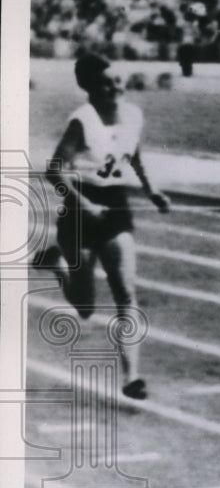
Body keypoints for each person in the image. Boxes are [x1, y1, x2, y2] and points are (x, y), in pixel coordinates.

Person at [33, 53, 171, 399]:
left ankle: (132, 377)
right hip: (80, 209)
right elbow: (54, 170)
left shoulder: (133, 115)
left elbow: (133, 155)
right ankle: (56, 265)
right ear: (90, 88)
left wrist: (152, 191)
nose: (115, 87)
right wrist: (85, 203)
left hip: (116, 207)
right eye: (106, 83)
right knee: (85, 307)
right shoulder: (82, 121)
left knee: (127, 295)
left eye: (118, 80)